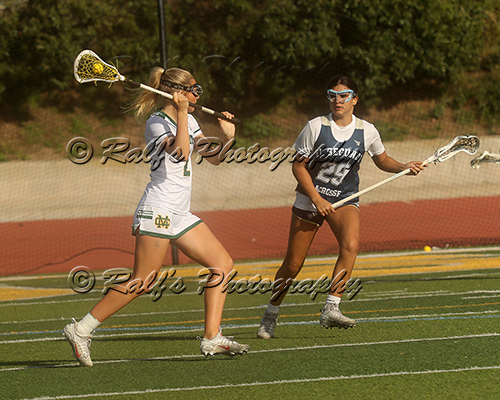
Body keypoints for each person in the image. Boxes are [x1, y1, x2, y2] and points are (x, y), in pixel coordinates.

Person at [63, 67, 249, 366]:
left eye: (197, 90)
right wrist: (182, 114)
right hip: (158, 208)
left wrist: (227, 138)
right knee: (143, 281)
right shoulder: (156, 122)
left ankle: (212, 337)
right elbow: (181, 152)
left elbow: (213, 158)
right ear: (176, 92)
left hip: (180, 212)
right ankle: (81, 329)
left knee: (222, 264)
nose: (197, 95)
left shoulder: (189, 120)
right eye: (193, 90)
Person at [257, 75, 425, 339]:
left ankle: (331, 307)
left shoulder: (367, 130)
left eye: (344, 95)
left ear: (354, 99)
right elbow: (298, 167)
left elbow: (382, 159)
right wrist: (317, 199)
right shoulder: (315, 126)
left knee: (351, 245)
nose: (338, 100)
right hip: (311, 199)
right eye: (333, 95)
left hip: (344, 198)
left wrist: (403, 167)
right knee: (292, 265)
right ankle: (271, 313)